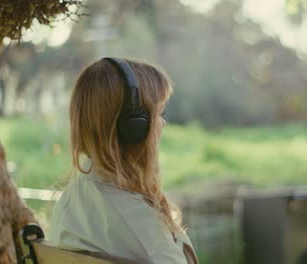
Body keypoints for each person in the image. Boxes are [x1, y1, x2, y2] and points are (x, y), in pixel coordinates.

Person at [49, 57, 198, 264]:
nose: (162, 124)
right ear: (133, 129)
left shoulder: (67, 202)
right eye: (159, 114)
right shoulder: (141, 224)